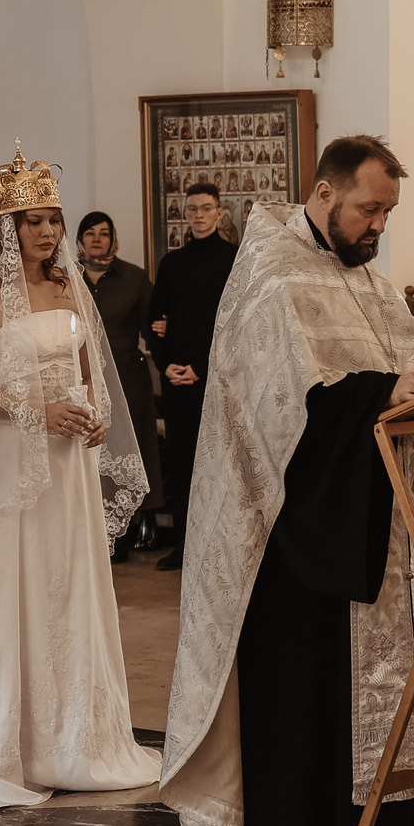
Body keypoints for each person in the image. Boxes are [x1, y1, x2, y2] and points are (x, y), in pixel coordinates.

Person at [160, 135, 414, 826]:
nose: (378, 226)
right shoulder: (271, 273)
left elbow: (410, 350)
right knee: (299, 673)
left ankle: (383, 823)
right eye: (370, 208)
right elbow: (279, 402)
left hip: (374, 508)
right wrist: (380, 394)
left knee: (383, 669)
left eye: (389, 212)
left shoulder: (365, 280)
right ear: (325, 193)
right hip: (294, 518)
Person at [0, 148, 159, 813]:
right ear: (4, 226)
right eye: (32, 220)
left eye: (53, 219)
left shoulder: (72, 286)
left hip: (68, 463)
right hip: (5, 458)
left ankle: (72, 733)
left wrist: (96, 414)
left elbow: (88, 365)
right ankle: (4, 739)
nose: (47, 232)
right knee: (6, 585)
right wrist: (35, 412)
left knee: (66, 583)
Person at [149, 181, 236, 571]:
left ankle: (221, 550)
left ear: (220, 213)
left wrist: (200, 369)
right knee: (182, 466)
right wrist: (165, 365)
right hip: (175, 380)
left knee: (218, 465)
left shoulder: (235, 260)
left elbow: (236, 327)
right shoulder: (172, 264)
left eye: (206, 208)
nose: (198, 215)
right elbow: (155, 323)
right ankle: (184, 548)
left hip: (216, 380)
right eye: (192, 209)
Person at [77, 210, 164, 562]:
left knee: (132, 450)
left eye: (104, 233)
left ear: (114, 239)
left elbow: (152, 327)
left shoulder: (133, 277)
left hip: (128, 379)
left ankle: (137, 523)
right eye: (90, 233)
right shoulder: (64, 277)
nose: (98, 239)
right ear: (79, 240)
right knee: (91, 453)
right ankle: (91, 529)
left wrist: (164, 333)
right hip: (79, 381)